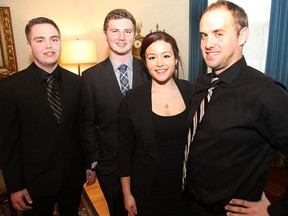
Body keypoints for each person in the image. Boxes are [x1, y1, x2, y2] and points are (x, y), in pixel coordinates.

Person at [184, 1, 288, 215]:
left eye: (218, 34)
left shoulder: (265, 92)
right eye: (204, 35)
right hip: (191, 204)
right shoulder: (203, 84)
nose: (208, 43)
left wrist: (276, 210)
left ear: (242, 36)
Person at [0, 17, 96, 215]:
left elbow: (84, 127)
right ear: (29, 46)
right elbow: (8, 143)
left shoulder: (77, 83)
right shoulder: (10, 87)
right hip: (35, 181)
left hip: (72, 176)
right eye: (40, 40)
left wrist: (90, 164)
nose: (49, 45)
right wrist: (15, 186)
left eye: (54, 39)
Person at [118, 31, 194, 216]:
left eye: (166, 56)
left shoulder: (193, 93)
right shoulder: (132, 100)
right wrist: (127, 194)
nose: (160, 63)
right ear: (145, 62)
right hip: (149, 191)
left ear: (176, 59)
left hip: (189, 189)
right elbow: (124, 151)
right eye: (152, 57)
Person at [81, 9, 149, 216]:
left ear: (134, 35)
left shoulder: (150, 69)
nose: (121, 38)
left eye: (127, 31)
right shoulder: (90, 77)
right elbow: (88, 123)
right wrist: (93, 162)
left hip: (144, 163)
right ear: (105, 35)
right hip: (109, 166)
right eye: (115, 31)